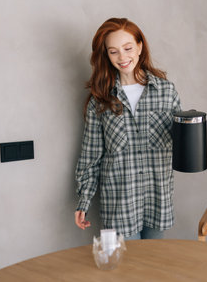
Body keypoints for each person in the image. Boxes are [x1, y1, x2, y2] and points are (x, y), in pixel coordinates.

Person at [74, 18, 181, 240]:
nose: (122, 57)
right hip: (119, 204)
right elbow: (91, 156)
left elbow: (180, 143)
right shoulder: (100, 99)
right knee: (123, 271)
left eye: (128, 48)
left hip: (157, 199)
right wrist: (83, 200)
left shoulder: (166, 91)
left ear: (140, 47)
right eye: (113, 52)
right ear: (106, 55)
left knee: (153, 268)